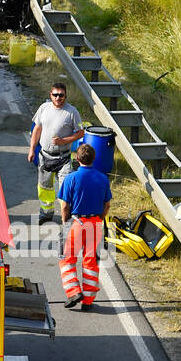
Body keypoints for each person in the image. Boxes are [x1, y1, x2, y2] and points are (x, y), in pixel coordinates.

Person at [58, 143, 112, 310]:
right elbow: (107, 204)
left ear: (77, 158)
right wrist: (100, 218)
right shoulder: (103, 178)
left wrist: (65, 221)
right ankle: (88, 301)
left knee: (67, 258)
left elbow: (65, 205)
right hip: (95, 223)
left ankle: (74, 291)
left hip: (76, 222)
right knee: (91, 261)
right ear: (94, 159)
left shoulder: (70, 178)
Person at [28, 83, 84, 223]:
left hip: (63, 158)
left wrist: (63, 141)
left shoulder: (72, 112)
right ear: (50, 95)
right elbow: (37, 129)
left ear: (66, 96)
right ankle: (46, 214)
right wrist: (31, 149)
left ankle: (67, 220)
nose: (58, 98)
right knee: (44, 187)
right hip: (45, 156)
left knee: (66, 190)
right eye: (55, 95)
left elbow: (80, 133)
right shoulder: (44, 108)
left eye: (61, 95)